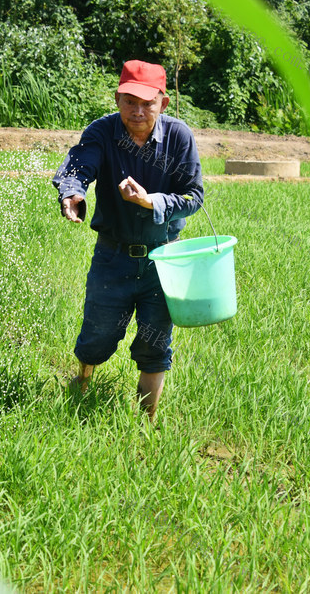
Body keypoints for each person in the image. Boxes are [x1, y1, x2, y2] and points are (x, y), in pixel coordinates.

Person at [52, 59, 204, 421]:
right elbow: (78, 166)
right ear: (118, 98)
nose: (137, 111)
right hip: (113, 257)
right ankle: (82, 385)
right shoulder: (102, 132)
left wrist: (151, 200)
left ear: (162, 104)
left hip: (163, 261)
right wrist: (71, 193)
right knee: (97, 334)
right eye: (129, 101)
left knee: (155, 343)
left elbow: (193, 197)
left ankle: (145, 421)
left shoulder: (179, 137)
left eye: (146, 103)